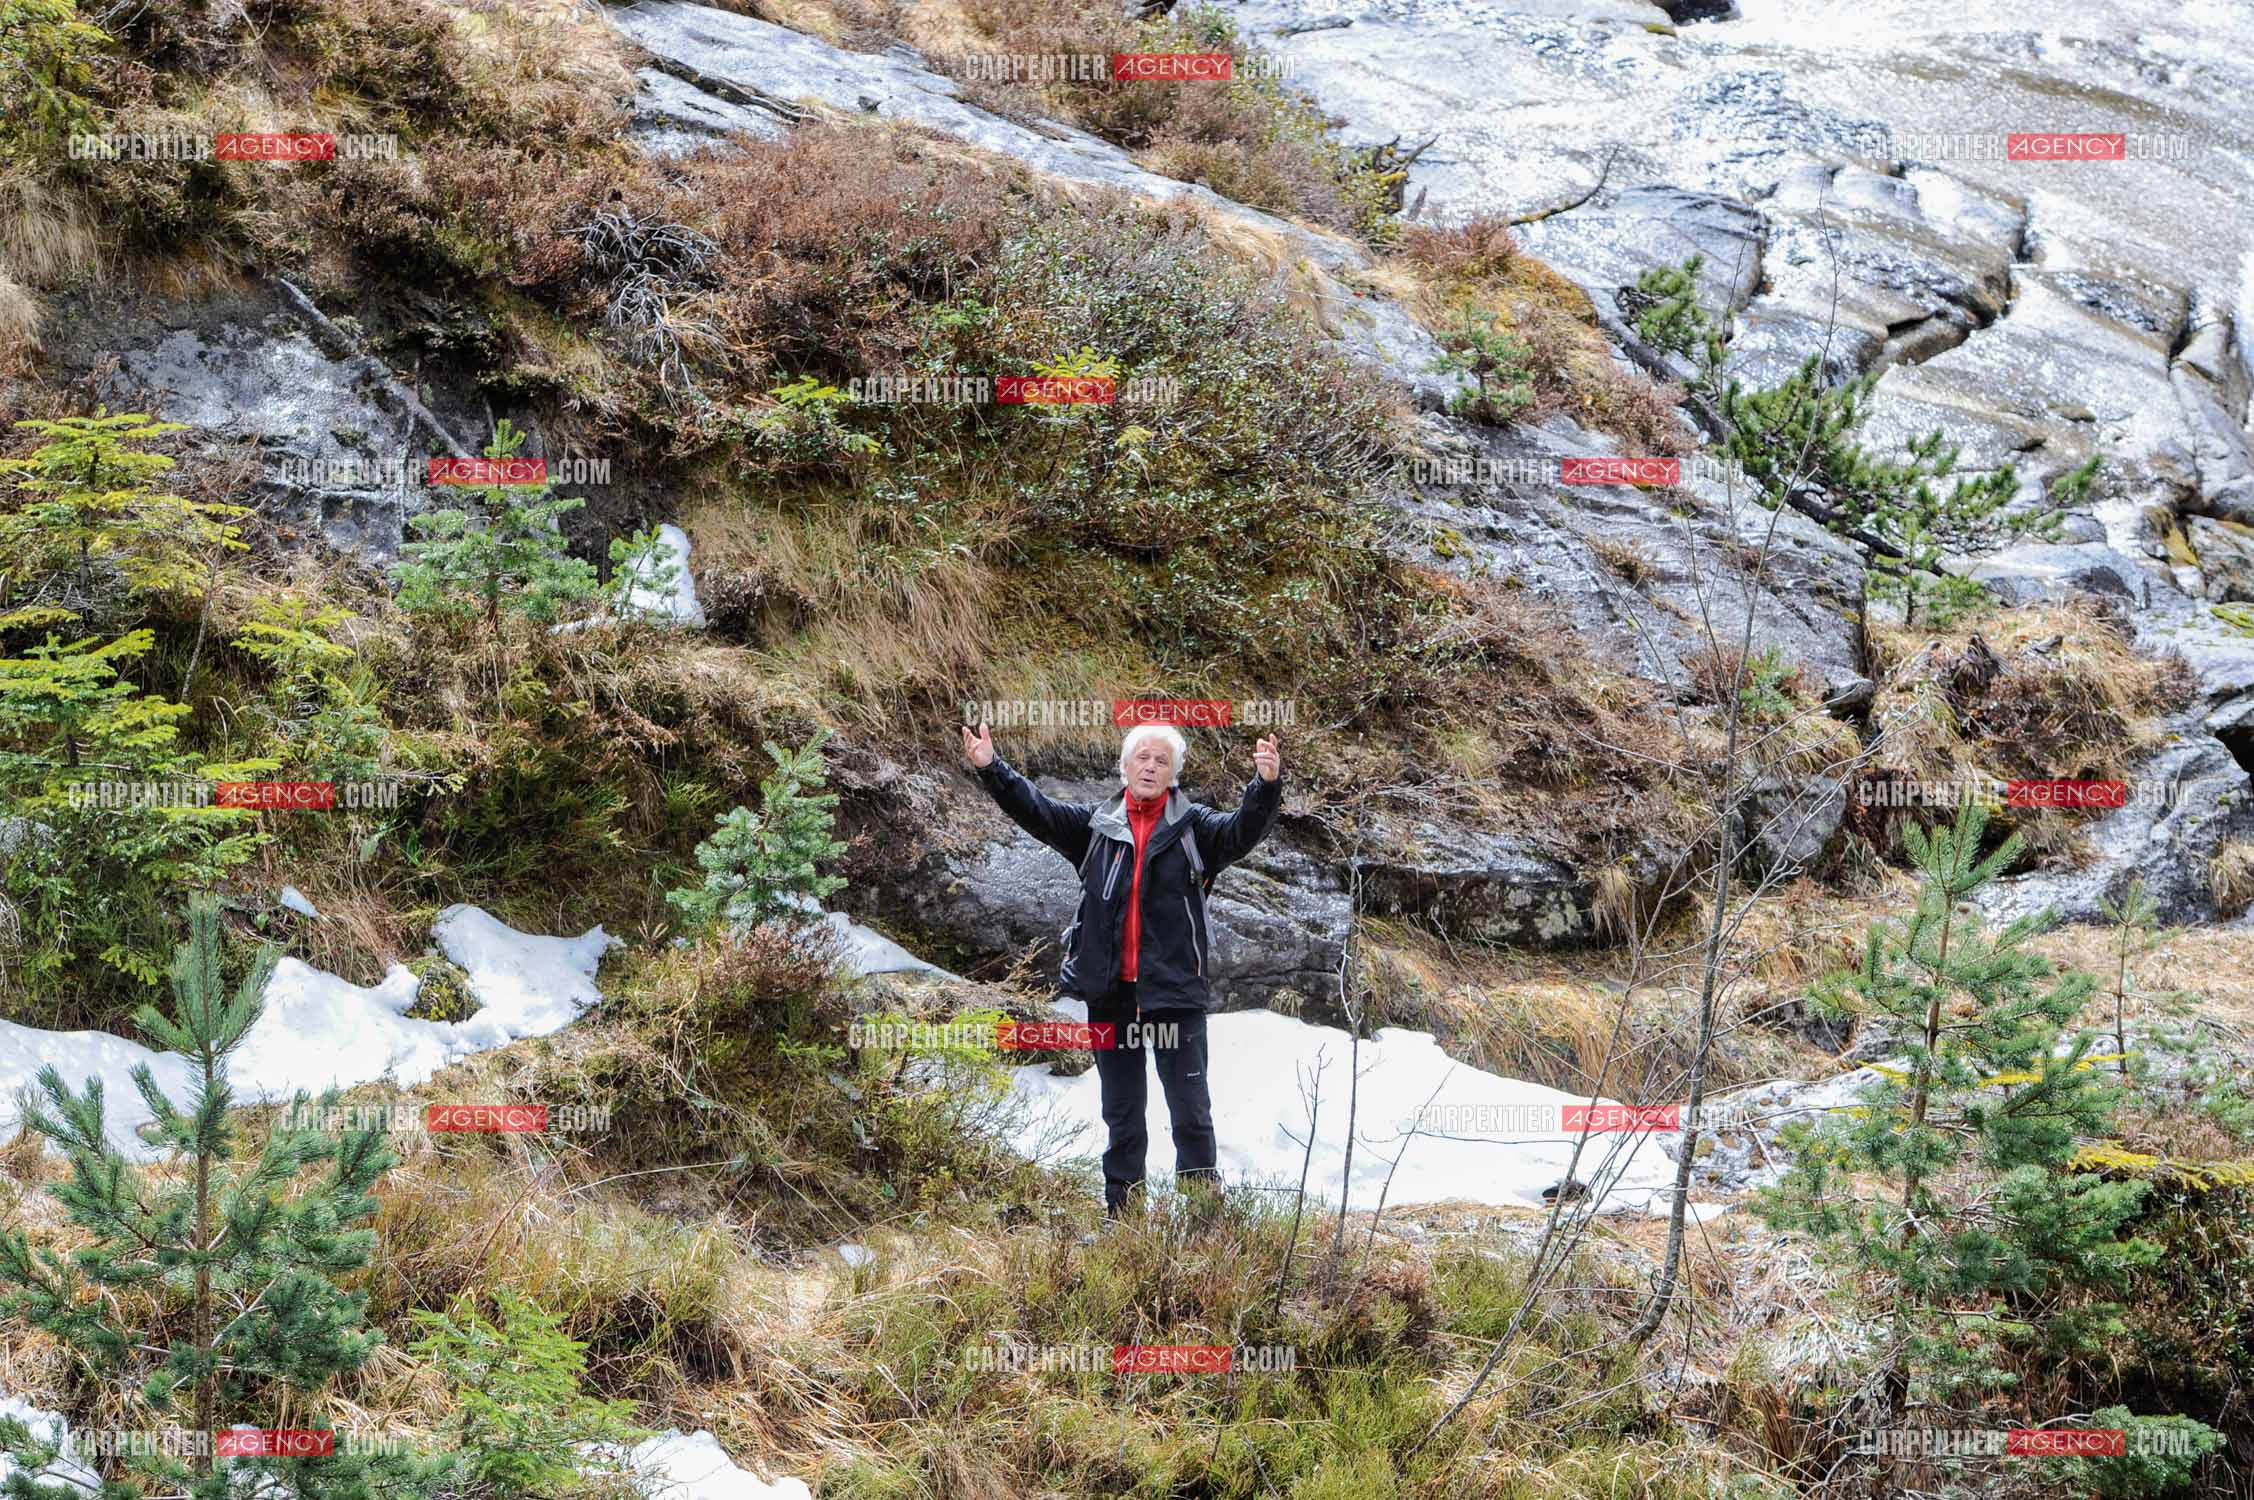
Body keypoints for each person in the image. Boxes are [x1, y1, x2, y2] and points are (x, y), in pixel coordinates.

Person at [960, 719, 1282, 1216]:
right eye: (1142, 758)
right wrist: (991, 768)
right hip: (1111, 995)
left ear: (1174, 774)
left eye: (1162, 761)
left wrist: (1264, 787)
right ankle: (1125, 1220)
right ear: (1125, 766)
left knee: (1190, 1114)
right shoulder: (1096, 825)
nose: (1151, 766)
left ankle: (1202, 1222)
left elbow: (1243, 832)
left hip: (1174, 995)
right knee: (1123, 1114)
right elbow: (1037, 811)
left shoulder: (1194, 827)